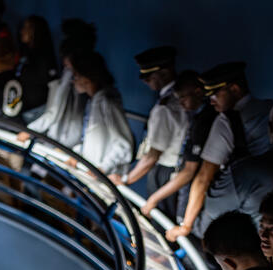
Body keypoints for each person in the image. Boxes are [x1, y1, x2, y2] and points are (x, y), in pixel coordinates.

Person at [165, 62, 272, 241]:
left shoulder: (226, 121)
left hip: (239, 193)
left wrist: (186, 225)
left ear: (235, 89)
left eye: (215, 94)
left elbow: (204, 177)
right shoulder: (269, 108)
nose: (211, 100)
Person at [109, 46, 188, 221]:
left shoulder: (165, 107)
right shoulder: (175, 100)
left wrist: (126, 179)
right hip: (172, 170)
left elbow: (153, 155)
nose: (145, 80)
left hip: (165, 172)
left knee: (162, 220)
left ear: (166, 72)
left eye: (150, 75)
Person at [140, 69, 217, 221]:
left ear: (198, 92)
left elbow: (190, 172)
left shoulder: (204, 122)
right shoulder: (196, 117)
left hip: (195, 189)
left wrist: (154, 199)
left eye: (183, 97)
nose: (181, 103)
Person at [21, 18, 93, 147]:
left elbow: (54, 111)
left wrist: (29, 131)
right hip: (68, 138)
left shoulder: (70, 75)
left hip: (63, 139)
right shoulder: (76, 74)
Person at [66, 50, 134, 176]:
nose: (73, 80)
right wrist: (77, 154)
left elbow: (123, 145)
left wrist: (102, 169)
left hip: (103, 177)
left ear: (87, 77)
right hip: (90, 172)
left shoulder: (107, 102)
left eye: (76, 75)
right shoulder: (92, 102)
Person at [12, 15, 57, 120]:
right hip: (22, 111)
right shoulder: (26, 54)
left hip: (35, 114)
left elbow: (52, 89)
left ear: (36, 31)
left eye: (26, 28)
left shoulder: (44, 58)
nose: (22, 31)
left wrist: (42, 119)